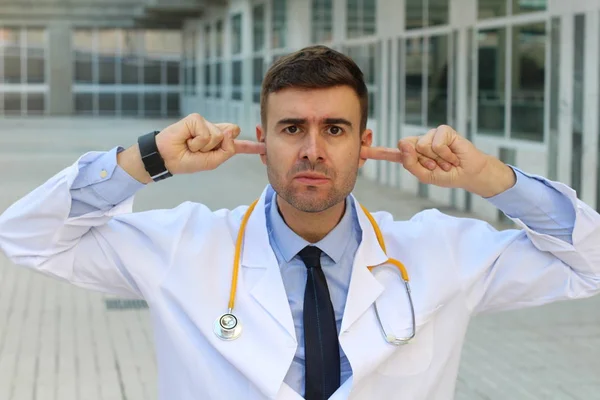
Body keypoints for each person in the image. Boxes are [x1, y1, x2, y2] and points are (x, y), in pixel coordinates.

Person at [0, 45, 599, 400]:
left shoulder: (442, 251)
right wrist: (148, 159)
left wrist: (489, 178)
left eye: (334, 130)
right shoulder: (183, 245)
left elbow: (589, 263)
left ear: (364, 145)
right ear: (262, 142)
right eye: (292, 129)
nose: (313, 150)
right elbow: (26, 235)